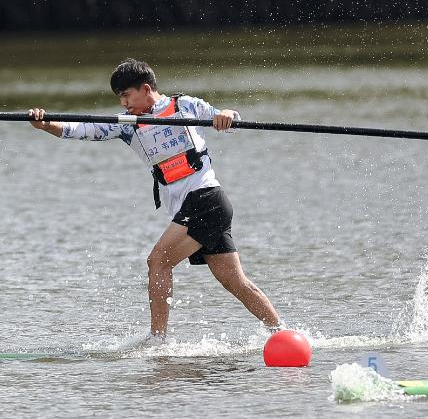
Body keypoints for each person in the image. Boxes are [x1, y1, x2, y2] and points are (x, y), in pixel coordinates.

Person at [28, 58, 283, 339]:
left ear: (146, 89)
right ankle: (281, 332)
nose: (123, 103)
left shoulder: (185, 106)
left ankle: (157, 341)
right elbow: (82, 129)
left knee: (158, 261)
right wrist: (46, 124)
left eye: (127, 95)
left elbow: (229, 118)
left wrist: (226, 115)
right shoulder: (128, 124)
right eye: (120, 97)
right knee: (235, 281)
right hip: (198, 207)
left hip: (207, 198)